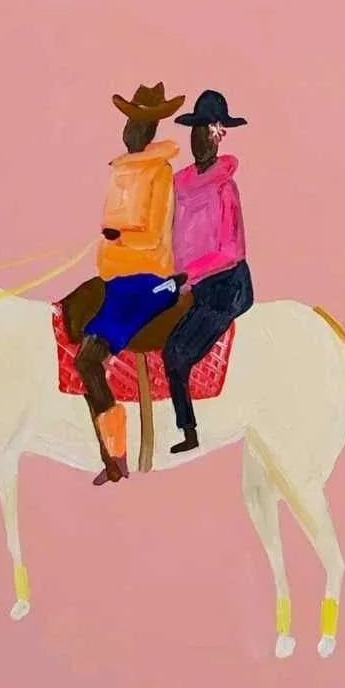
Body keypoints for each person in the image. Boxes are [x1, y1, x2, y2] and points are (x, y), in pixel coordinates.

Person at [66, 82, 187, 484]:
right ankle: (106, 446)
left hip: (145, 277)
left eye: (136, 122)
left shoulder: (160, 173)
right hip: (116, 276)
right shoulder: (122, 171)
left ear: (147, 129)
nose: (129, 129)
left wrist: (119, 237)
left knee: (88, 358)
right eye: (129, 121)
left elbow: (154, 233)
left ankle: (115, 454)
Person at [162, 90, 255, 453]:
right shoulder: (179, 184)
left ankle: (188, 430)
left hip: (225, 287)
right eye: (195, 130)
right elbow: (174, 235)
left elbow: (230, 250)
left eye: (206, 130)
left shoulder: (224, 187)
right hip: (190, 284)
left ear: (218, 135)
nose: (199, 138)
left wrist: (188, 275)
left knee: (176, 352)